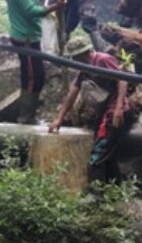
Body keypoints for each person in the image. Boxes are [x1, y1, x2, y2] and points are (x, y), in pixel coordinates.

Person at [48, 37, 133, 184]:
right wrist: (59, 118)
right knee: (108, 155)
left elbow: (122, 80)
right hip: (104, 110)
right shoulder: (84, 69)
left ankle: (95, 195)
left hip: (114, 111)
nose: (74, 60)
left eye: (76, 57)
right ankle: (115, 190)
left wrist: (119, 108)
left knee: (97, 156)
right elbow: (72, 93)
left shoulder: (103, 60)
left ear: (85, 53)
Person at [5, 0, 66, 124]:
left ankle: (28, 115)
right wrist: (54, 7)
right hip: (25, 38)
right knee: (34, 77)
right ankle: (25, 117)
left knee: (33, 75)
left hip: (30, 36)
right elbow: (31, 10)